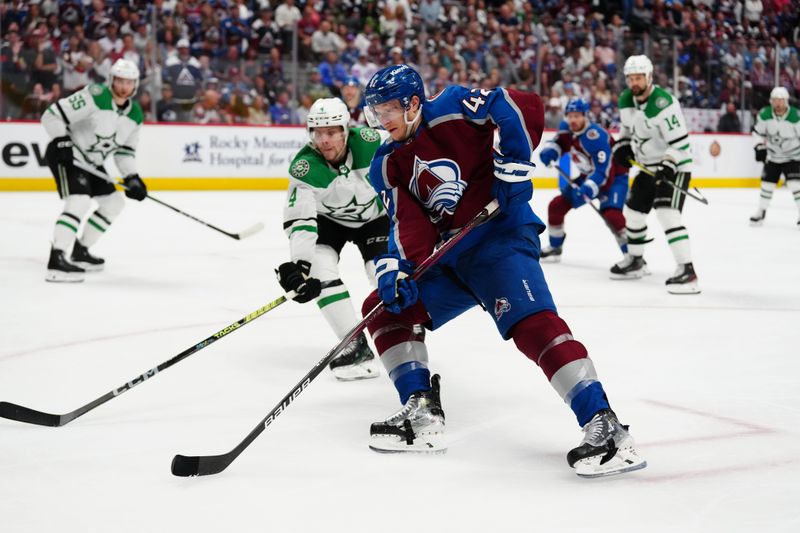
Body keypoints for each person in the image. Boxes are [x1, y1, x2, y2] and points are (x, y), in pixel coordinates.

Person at [359, 64, 646, 478]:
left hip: (499, 240)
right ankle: (421, 411)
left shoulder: (455, 106)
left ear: (413, 104)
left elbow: (519, 105)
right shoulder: (387, 163)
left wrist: (513, 164)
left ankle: (606, 428)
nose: (381, 121)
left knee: (533, 326)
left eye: (386, 110)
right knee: (382, 309)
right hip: (453, 256)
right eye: (375, 112)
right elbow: (407, 226)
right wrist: (397, 271)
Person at [276, 98, 389, 381]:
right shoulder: (305, 167)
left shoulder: (371, 143)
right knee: (318, 268)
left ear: (345, 130)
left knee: (384, 272)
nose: (324, 140)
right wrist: (300, 266)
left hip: (375, 218)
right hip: (330, 222)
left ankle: (403, 327)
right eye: (318, 132)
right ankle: (353, 345)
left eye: (331, 132)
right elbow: (301, 219)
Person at [41, 58, 147, 282]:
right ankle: (56, 259)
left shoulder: (135, 114)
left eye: (129, 82)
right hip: (68, 155)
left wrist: (133, 177)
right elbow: (52, 114)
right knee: (79, 201)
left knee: (114, 203)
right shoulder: (96, 95)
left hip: (91, 162)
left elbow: (125, 152)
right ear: (112, 81)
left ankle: (81, 251)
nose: (124, 86)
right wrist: (61, 140)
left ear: (135, 85)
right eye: (120, 81)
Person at [610, 55, 700, 294]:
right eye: (631, 78)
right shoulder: (627, 99)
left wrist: (668, 166)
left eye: (639, 77)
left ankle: (687, 271)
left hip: (675, 166)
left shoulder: (664, 103)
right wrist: (622, 145)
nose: (635, 82)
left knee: (667, 214)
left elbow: (681, 145)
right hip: (646, 167)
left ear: (649, 77)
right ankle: (636, 261)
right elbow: (627, 130)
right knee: (633, 214)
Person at [538, 98, 629, 261]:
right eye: (570, 116)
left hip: (614, 178)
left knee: (613, 216)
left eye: (577, 116)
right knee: (556, 207)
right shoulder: (566, 128)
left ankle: (633, 256)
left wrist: (589, 186)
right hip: (589, 176)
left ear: (585, 116)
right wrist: (551, 151)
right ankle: (555, 247)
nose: (573, 120)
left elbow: (603, 170)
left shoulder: (596, 136)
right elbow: (559, 142)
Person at [750, 86, 800, 227]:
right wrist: (759, 147)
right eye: (775, 100)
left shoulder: (796, 116)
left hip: (793, 156)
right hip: (773, 156)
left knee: (795, 185)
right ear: (771, 101)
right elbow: (757, 132)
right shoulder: (765, 114)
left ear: (786, 101)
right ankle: (761, 211)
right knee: (767, 185)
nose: (778, 104)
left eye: (781, 100)